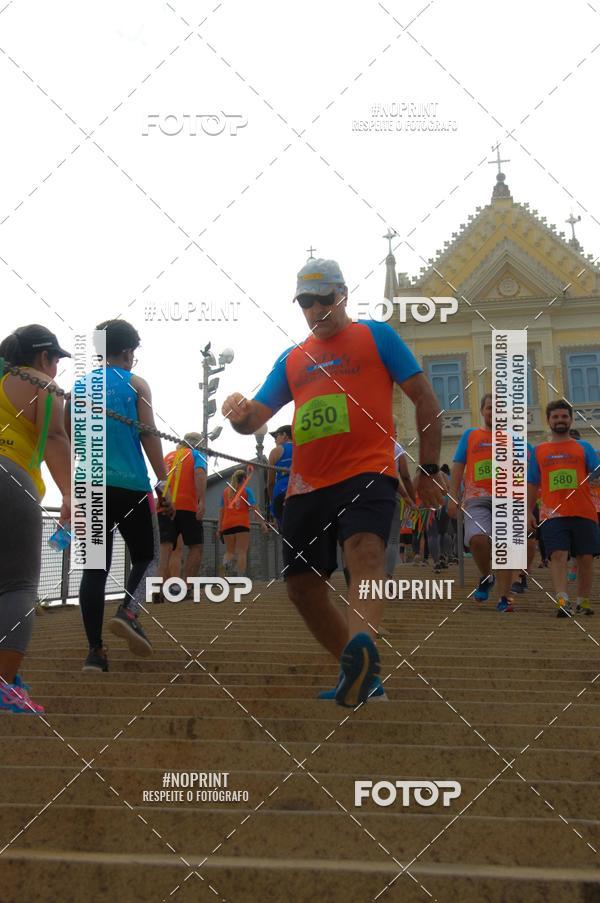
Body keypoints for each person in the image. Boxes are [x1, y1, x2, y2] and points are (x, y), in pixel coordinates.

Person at [221, 258, 443, 707]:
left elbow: (424, 397)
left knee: (365, 551)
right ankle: (359, 672)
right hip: (307, 484)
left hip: (368, 470)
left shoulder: (375, 336)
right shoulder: (292, 359)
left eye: (325, 298)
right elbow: (255, 419)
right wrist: (238, 413)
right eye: (307, 300)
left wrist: (431, 469)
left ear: (342, 294)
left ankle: (363, 642)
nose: (317, 307)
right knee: (302, 587)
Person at [68, 320, 174, 671]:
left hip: (90, 487)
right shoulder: (135, 384)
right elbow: (148, 435)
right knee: (148, 557)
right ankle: (129, 611)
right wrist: (164, 480)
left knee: (94, 568)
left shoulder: (78, 388)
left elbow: (68, 439)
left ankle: (94, 653)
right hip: (130, 485)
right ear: (129, 352)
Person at [0, 325, 71, 713]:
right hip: (9, 476)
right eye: (56, 358)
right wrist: (69, 495)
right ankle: (3, 685)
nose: (57, 366)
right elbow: (57, 439)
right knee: (16, 586)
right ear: (44, 358)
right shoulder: (40, 382)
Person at [527, 399, 600, 617]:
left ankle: (583, 601)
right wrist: (526, 512)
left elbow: (596, 474)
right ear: (548, 421)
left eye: (564, 416)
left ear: (570, 419)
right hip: (552, 513)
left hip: (584, 511)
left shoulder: (584, 447)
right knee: (557, 555)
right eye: (555, 417)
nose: (560, 420)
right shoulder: (539, 450)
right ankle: (562, 600)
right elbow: (532, 483)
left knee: (585, 558)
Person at [448, 393, 515, 612]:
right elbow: (458, 466)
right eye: (489, 408)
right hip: (476, 498)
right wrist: (453, 497)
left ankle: (503, 598)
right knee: (476, 540)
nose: (494, 412)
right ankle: (487, 576)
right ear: (482, 410)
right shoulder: (471, 435)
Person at [155, 433, 207, 603]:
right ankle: (184, 588)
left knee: (166, 548)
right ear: (197, 443)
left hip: (165, 506)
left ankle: (159, 588)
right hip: (187, 506)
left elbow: (159, 482)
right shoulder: (196, 454)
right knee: (196, 546)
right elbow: (199, 473)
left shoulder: (168, 457)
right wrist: (201, 501)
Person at [218, 469, 267, 575]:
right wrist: (262, 523)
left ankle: (224, 575)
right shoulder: (246, 490)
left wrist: (219, 528)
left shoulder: (225, 492)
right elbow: (255, 507)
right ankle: (240, 578)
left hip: (227, 525)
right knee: (241, 552)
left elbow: (221, 511)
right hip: (241, 524)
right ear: (244, 479)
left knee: (229, 552)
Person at [384, 417, 415, 579]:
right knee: (393, 539)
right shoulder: (397, 448)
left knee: (375, 538)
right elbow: (405, 476)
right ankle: (387, 577)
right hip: (391, 495)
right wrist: (410, 498)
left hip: (370, 496)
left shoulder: (371, 447)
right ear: (394, 431)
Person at [267, 425, 293, 530]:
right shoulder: (304, 448)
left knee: (287, 536)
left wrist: (273, 507)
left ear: (285, 435)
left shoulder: (275, 452)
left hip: (281, 495)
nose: (275, 440)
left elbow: (270, 483)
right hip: (303, 493)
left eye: (276, 436)